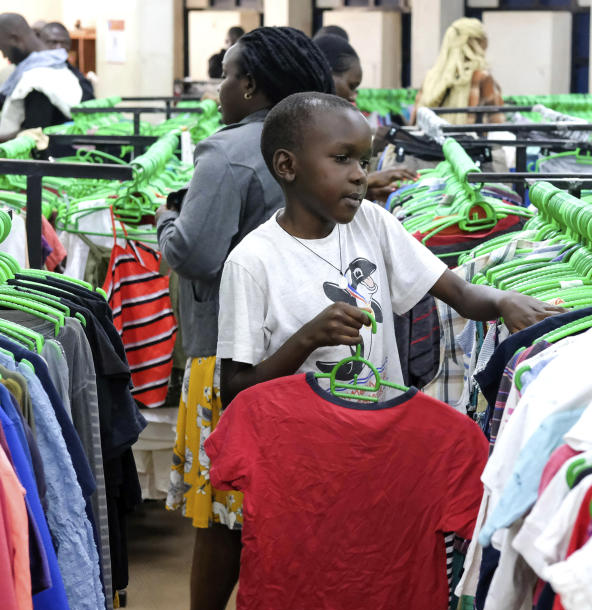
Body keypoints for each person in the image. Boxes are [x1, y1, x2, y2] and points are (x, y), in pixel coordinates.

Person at [134, 26, 335, 610]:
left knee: (222, 499)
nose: (218, 88)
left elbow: (195, 254)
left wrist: (168, 217)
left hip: (227, 346)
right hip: (303, 339)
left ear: (249, 84)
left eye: (225, 75)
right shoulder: (325, 138)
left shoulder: (226, 152)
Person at [217, 90, 561, 414]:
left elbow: (459, 292)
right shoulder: (252, 263)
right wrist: (308, 338)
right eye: (342, 159)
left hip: (381, 444)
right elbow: (234, 392)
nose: (359, 176)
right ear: (287, 166)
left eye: (364, 162)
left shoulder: (372, 222)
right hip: (304, 455)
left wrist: (502, 301)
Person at [315, 34, 417, 202]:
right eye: (351, 86)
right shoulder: (305, 127)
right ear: (327, 74)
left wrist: (368, 194)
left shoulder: (326, 122)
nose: (353, 95)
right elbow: (310, 190)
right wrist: (369, 180)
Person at [0, 13, 82, 144]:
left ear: (14, 39)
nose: (4, 55)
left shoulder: (40, 77)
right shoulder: (50, 65)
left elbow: (33, 133)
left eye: (2, 48)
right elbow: (22, 112)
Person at [414, 17, 504, 125]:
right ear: (478, 44)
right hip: (466, 141)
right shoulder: (482, 78)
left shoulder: (430, 78)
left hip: (427, 142)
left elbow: (415, 122)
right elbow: (497, 124)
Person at [38, 21, 95, 101]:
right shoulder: (32, 74)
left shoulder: (79, 80)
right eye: (53, 42)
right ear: (40, 43)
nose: (59, 48)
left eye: (64, 43)